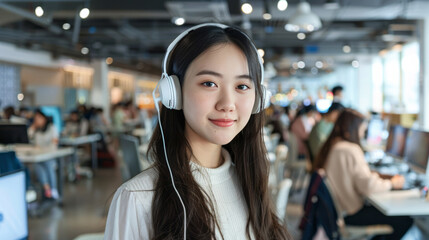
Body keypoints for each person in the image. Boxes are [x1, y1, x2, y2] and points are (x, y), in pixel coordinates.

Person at [104, 23, 291, 239]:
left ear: (258, 99)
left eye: (242, 86)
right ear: (174, 92)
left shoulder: (251, 184)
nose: (227, 104)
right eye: (209, 83)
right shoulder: (138, 198)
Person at [313, 109, 413, 240]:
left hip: (342, 211)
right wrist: (391, 183)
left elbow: (358, 177)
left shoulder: (335, 145)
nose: (363, 133)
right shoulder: (350, 149)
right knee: (405, 220)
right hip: (352, 213)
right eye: (362, 129)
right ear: (354, 127)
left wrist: (378, 176)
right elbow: (368, 186)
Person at [28, 109, 59, 200]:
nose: (37, 120)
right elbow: (27, 139)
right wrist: (32, 127)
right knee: (36, 166)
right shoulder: (36, 130)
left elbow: (54, 144)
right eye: (35, 118)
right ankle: (48, 189)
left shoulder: (52, 128)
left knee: (49, 165)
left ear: (44, 119)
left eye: (39, 118)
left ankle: (53, 190)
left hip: (50, 157)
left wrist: (43, 149)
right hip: (38, 157)